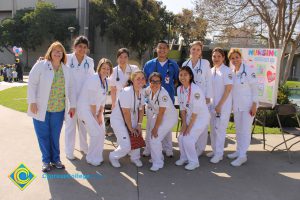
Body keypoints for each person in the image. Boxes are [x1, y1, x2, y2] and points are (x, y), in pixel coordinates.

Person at [27, 41, 76, 172]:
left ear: (63, 54)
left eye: (60, 51)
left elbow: (71, 89)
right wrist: (32, 102)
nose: (58, 53)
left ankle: (56, 159)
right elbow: (32, 83)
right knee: (43, 136)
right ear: (50, 52)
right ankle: (45, 161)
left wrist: (73, 105)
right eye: (55, 50)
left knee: (55, 135)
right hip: (40, 108)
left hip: (58, 110)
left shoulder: (66, 70)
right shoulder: (41, 65)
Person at [143, 40, 179, 157]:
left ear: (168, 50)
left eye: (164, 48)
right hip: (152, 101)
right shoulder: (149, 64)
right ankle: (148, 148)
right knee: (150, 125)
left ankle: (168, 149)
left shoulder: (173, 64)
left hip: (167, 101)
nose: (162, 50)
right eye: (160, 48)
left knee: (166, 126)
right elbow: (145, 81)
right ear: (156, 49)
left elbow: (177, 80)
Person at [77, 58, 113, 166]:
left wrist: (100, 114)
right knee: (95, 133)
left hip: (96, 111)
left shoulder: (106, 81)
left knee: (101, 133)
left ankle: (97, 156)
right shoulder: (94, 79)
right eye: (103, 68)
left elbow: (103, 100)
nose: (105, 70)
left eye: (107, 68)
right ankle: (90, 157)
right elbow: (92, 100)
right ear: (99, 68)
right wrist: (95, 116)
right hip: (85, 110)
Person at [65, 36, 95, 160]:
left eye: (84, 47)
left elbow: (91, 79)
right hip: (70, 99)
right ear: (74, 46)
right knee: (70, 125)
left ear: (87, 49)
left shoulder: (90, 61)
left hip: (84, 99)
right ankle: (69, 152)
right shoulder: (66, 58)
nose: (82, 49)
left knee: (83, 125)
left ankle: (84, 148)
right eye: (79, 46)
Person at [175, 66, 210, 170]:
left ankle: (194, 162)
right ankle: (184, 157)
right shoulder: (179, 89)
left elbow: (196, 111)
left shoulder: (196, 90)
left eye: (185, 75)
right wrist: (184, 124)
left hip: (200, 118)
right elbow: (182, 108)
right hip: (190, 117)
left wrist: (189, 127)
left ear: (190, 76)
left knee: (188, 138)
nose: (183, 77)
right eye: (181, 75)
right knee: (180, 137)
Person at [109, 71, 146, 168]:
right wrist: (130, 128)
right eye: (138, 78)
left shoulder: (142, 91)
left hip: (131, 117)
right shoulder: (126, 91)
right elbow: (125, 112)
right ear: (132, 80)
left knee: (136, 135)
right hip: (119, 120)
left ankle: (135, 158)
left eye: (142, 78)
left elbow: (141, 110)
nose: (140, 81)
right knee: (126, 145)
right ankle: (113, 156)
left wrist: (139, 124)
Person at [182, 41, 213, 156]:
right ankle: (192, 146)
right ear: (190, 50)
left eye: (198, 50)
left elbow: (209, 80)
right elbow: (184, 81)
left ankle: (200, 148)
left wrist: (208, 96)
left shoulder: (205, 63)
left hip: (203, 97)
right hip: (189, 98)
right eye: (193, 49)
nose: (195, 51)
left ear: (201, 52)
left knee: (202, 124)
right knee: (191, 120)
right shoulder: (186, 63)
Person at [228, 49, 258, 166]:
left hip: (248, 106)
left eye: (237, 57)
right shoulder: (232, 72)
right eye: (232, 58)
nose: (235, 60)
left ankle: (242, 155)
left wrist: (254, 104)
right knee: (239, 130)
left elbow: (255, 88)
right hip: (237, 106)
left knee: (245, 130)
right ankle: (238, 150)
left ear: (241, 57)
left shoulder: (249, 70)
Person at [144, 72, 178, 171]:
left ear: (161, 83)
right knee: (152, 137)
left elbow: (162, 113)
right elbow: (141, 93)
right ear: (149, 82)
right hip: (159, 115)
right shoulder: (148, 90)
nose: (155, 84)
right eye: (152, 81)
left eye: (157, 82)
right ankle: (159, 157)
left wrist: (155, 128)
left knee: (155, 137)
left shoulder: (163, 94)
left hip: (169, 118)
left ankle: (158, 163)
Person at [208, 47, 233, 164]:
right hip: (212, 105)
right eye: (214, 56)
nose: (216, 58)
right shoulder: (211, 70)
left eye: (219, 56)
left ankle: (219, 154)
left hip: (222, 106)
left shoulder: (227, 71)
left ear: (223, 58)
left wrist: (219, 105)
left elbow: (228, 90)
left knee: (220, 130)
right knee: (213, 129)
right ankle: (214, 150)